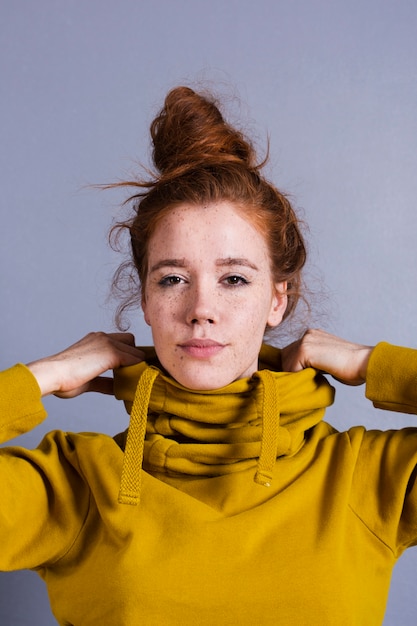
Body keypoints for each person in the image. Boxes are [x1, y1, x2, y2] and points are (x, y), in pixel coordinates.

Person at [1, 86, 416, 626]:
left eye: (234, 279)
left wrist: (373, 364)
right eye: (173, 279)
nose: (201, 309)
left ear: (276, 299)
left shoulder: (366, 478)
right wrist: (40, 377)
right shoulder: (75, 485)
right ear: (146, 301)